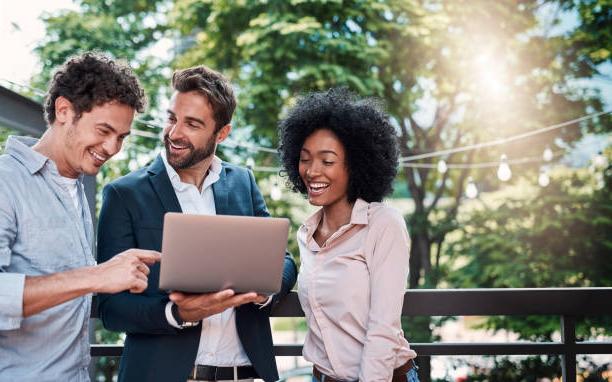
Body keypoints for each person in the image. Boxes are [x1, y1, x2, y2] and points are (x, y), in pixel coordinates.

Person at [96, 65, 297, 382]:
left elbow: (283, 261)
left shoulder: (242, 181)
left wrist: (264, 292)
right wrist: (175, 314)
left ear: (222, 133)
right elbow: (110, 307)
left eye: (192, 124)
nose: (174, 133)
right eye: (172, 118)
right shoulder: (124, 195)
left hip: (245, 374)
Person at [0, 52, 160, 380]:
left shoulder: (75, 185)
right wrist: (96, 276)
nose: (113, 148)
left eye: (121, 137)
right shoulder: (6, 183)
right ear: (64, 110)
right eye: (104, 130)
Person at [278, 88, 419, 382]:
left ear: (355, 166)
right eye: (305, 159)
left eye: (327, 161)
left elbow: (383, 329)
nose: (312, 171)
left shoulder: (383, 224)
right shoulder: (307, 233)